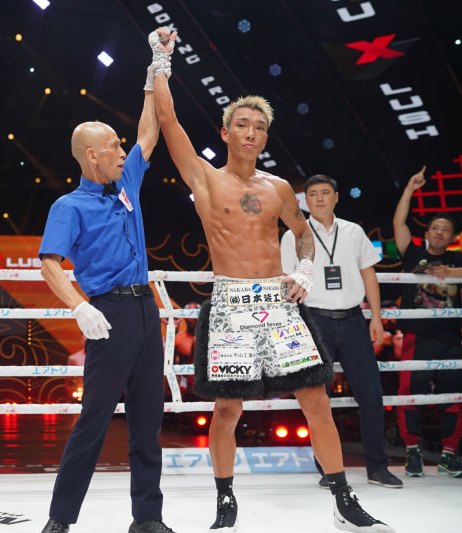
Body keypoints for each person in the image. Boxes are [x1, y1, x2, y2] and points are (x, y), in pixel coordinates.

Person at [153, 34, 393, 532]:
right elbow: (168, 120)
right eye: (243, 124)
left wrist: (303, 271)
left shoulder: (280, 187)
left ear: (265, 137)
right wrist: (161, 60)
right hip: (231, 303)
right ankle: (225, 499)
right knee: (226, 410)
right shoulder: (204, 178)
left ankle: (343, 498)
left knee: (317, 401)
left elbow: (303, 235)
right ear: (225, 132)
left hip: (278, 303)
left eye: (260, 127)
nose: (251, 132)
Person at [36, 29, 177, 533]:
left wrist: (153, 70)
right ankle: (60, 520)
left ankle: (148, 520)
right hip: (109, 313)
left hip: (145, 312)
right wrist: (80, 306)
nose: (123, 151)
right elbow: (50, 264)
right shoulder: (68, 206)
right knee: (94, 419)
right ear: (92, 155)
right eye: (113, 146)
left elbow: (148, 134)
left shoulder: (126, 183)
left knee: (147, 422)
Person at [281, 174, 402, 489]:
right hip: (313, 321)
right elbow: (286, 280)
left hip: (353, 320)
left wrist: (376, 318)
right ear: (305, 200)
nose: (320, 198)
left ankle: (377, 467)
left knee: (371, 395)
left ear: (336, 197)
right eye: (313, 194)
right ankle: (328, 470)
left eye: (325, 192)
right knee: (316, 400)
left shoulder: (353, 232)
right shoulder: (294, 235)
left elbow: (369, 274)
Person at [392, 165, 462, 478]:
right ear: (427, 232)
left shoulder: (457, 261)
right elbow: (398, 223)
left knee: (454, 398)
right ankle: (412, 452)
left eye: (445, 229)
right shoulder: (413, 254)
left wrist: (452, 273)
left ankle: (449, 455)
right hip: (416, 336)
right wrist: (410, 189)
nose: (439, 232)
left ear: (452, 237)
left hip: (451, 338)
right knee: (409, 396)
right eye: (435, 227)